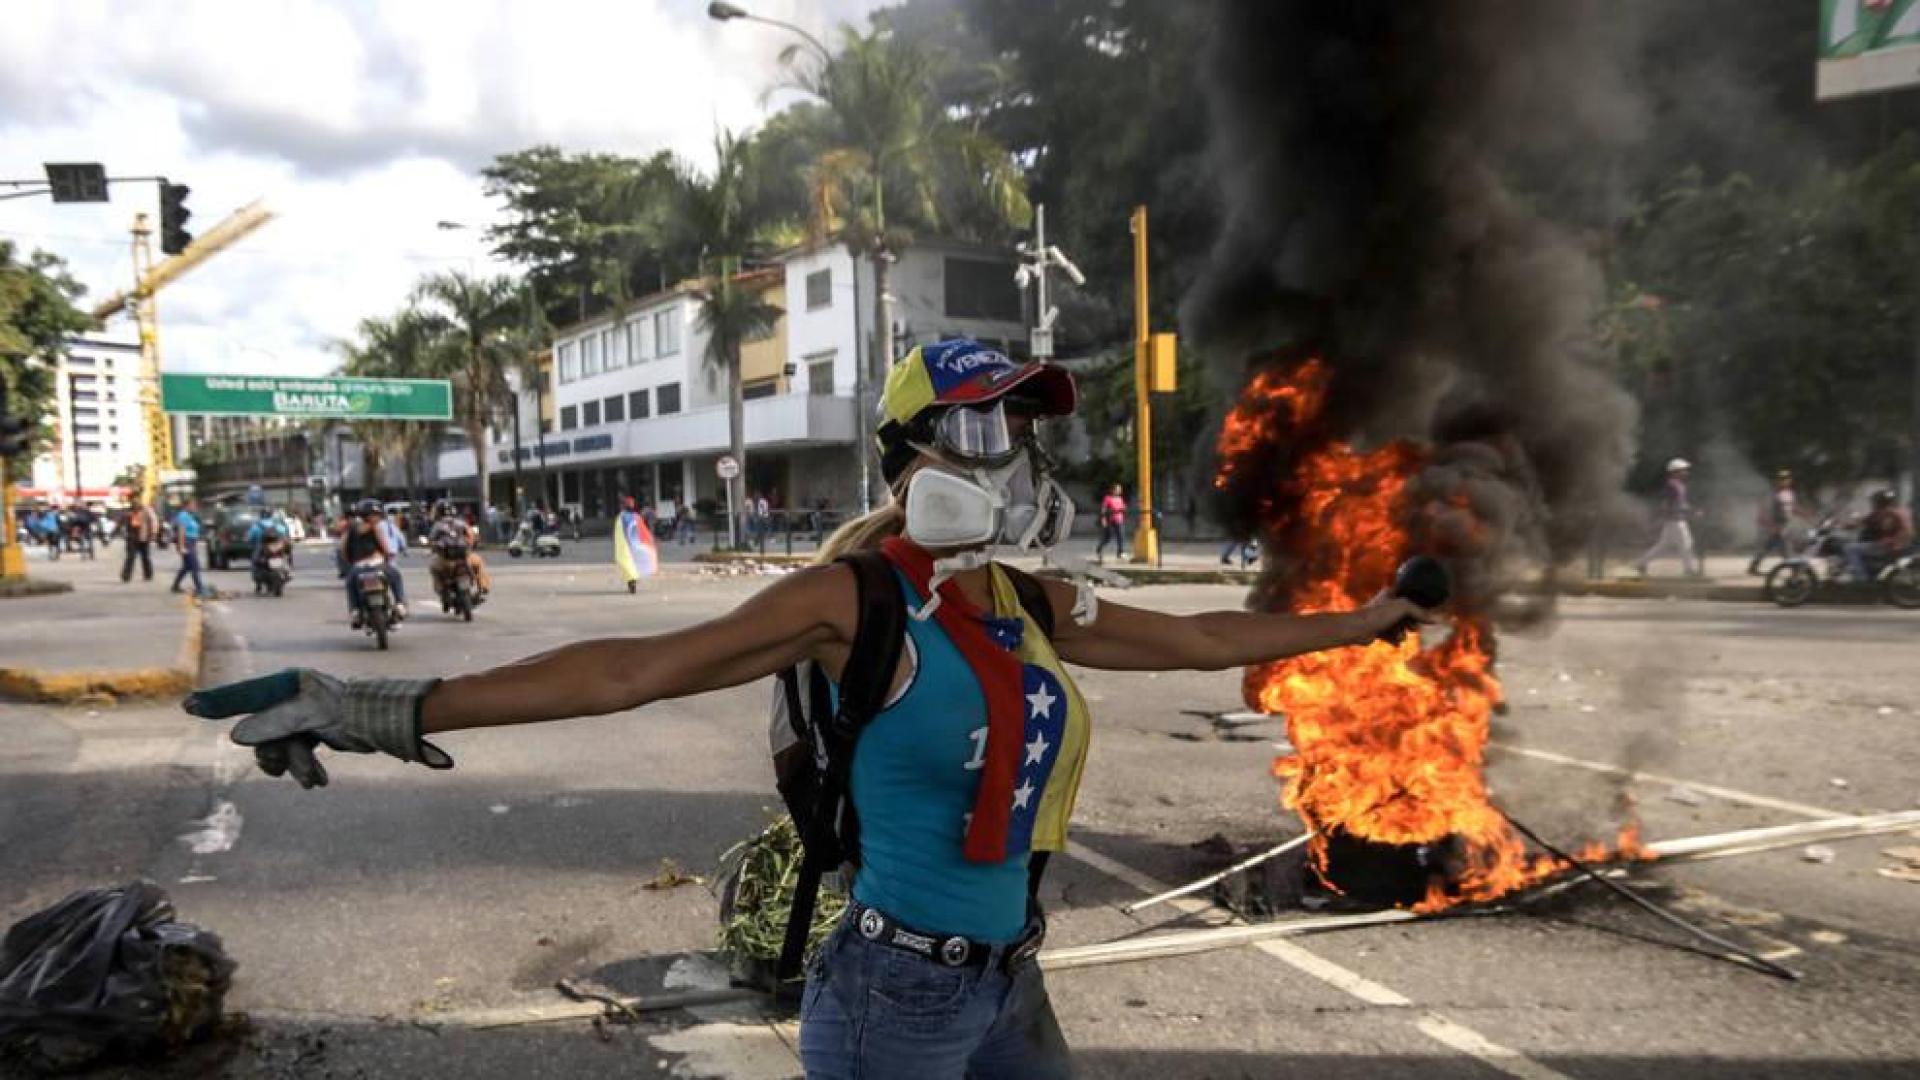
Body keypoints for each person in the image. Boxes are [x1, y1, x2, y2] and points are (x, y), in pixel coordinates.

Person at [185, 339, 1437, 1079]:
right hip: (897, 998)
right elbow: (628, 671)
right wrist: (371, 705)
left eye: (1017, 431)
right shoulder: (852, 599)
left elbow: (1211, 634)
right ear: (906, 456)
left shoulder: (1027, 600)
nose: (1002, 455)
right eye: (974, 425)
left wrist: (1366, 618)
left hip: (1010, 985)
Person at [339, 499, 406, 624]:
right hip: (378, 565)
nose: (377, 518)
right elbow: (385, 547)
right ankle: (400, 603)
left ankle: (355, 611)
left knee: (350, 584)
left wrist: (351, 562)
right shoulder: (375, 529)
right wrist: (388, 556)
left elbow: (343, 551)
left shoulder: (350, 530)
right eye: (375, 515)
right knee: (396, 576)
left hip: (358, 568)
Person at [1634, 458, 1700, 577]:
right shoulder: (1672, 486)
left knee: (1663, 546)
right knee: (1686, 544)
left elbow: (1681, 503)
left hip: (1675, 520)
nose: (1686, 472)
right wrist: (1690, 511)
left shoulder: (1679, 485)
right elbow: (1671, 504)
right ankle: (1689, 570)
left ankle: (1640, 563)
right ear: (1675, 471)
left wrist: (1690, 510)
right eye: (1683, 470)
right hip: (1676, 520)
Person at [1844, 488, 1914, 583]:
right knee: (1860, 545)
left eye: (1874, 501)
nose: (1873, 503)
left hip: (1885, 546)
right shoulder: (1896, 512)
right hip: (1893, 545)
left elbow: (1867, 522)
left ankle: (1861, 579)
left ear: (1879, 502)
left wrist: (1848, 524)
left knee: (1850, 549)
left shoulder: (1883, 514)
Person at [428, 500, 491, 602]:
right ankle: (483, 586)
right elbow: (472, 536)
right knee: (479, 563)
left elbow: (431, 541)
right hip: (465, 557)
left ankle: (442, 591)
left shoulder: (437, 525)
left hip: (444, 560)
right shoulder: (462, 523)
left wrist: (433, 548)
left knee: (434, 569)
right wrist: (471, 545)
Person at [1747, 469, 1799, 576]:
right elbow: (1766, 510)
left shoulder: (1790, 494)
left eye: (1787, 479)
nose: (1785, 481)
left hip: (1784, 524)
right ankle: (1794, 570)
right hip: (1776, 524)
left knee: (1768, 546)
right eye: (1782, 479)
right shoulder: (1774, 494)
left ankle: (1753, 566)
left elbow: (1793, 508)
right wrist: (1771, 525)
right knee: (1785, 547)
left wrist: (1807, 516)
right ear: (1777, 481)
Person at [613, 495, 659, 593]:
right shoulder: (631, 517)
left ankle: (632, 581)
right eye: (630, 504)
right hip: (630, 544)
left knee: (630, 562)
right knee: (631, 563)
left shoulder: (628, 517)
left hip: (630, 545)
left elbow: (640, 530)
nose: (631, 505)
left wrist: (648, 539)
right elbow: (642, 531)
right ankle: (632, 581)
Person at [170, 498, 208, 598]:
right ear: (186, 506)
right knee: (195, 566)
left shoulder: (190, 516)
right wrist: (181, 546)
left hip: (191, 543)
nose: (194, 507)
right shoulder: (183, 516)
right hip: (186, 543)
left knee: (187, 566)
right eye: (193, 505)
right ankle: (200, 588)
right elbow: (181, 532)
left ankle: (175, 586)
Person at [120, 497, 159, 583]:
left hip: (144, 537)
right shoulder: (129, 511)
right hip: (132, 537)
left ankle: (148, 574)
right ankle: (126, 575)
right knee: (130, 557)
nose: (135, 506)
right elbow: (122, 521)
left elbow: (154, 521)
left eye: (136, 504)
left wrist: (153, 533)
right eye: (133, 505)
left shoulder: (147, 510)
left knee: (145, 557)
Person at [1094, 483, 1127, 563]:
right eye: (1117, 489)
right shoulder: (1107, 498)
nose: (1119, 491)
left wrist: (1124, 509)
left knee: (1121, 536)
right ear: (1113, 490)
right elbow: (1103, 509)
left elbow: (1123, 508)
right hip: (1111, 521)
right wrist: (1103, 519)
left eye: (1120, 489)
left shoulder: (1120, 499)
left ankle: (1120, 552)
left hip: (1119, 520)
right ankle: (1099, 548)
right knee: (1108, 537)